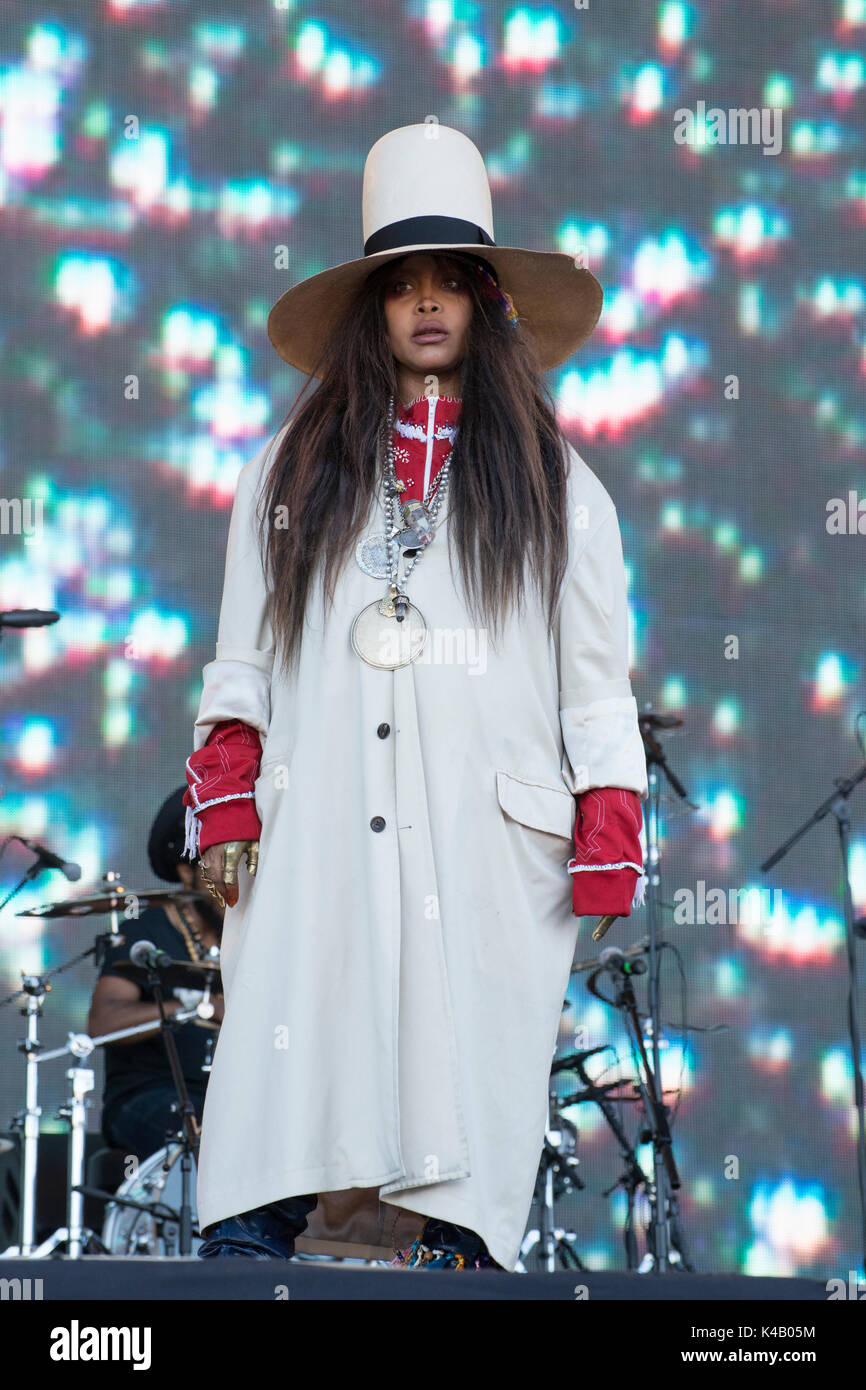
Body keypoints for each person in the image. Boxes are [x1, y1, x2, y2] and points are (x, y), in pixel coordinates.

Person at [182, 124, 648, 1270]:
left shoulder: (556, 484)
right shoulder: (287, 470)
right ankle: (244, 1261)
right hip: (323, 817)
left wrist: (608, 820)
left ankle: (461, 1263)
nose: (427, 305)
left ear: (487, 307)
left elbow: (596, 683)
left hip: (486, 835)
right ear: (372, 310)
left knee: (466, 1088)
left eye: (451, 282)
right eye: (403, 285)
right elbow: (240, 657)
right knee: (283, 1074)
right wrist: (228, 797)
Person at [87, 788, 224, 1159]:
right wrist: (197, 1005)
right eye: (220, 869)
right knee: (206, 1138)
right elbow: (103, 1022)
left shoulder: (249, 937)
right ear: (186, 872)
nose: (233, 882)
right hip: (147, 1097)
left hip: (227, 1100)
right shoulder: (144, 931)